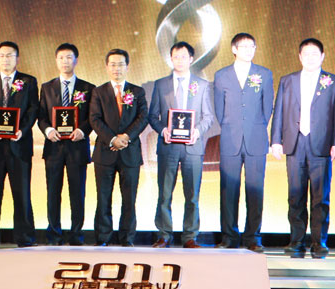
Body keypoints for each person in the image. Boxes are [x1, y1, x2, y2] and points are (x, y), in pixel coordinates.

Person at [271, 38, 335, 258]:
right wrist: (276, 140)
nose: (310, 58)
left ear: (322, 56)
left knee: (320, 196)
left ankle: (319, 241)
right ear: (299, 56)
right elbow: (279, 111)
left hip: (321, 144)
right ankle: (296, 240)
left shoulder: (333, 81)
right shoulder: (288, 80)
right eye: (306, 54)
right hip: (295, 143)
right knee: (295, 196)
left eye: (315, 54)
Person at [148, 42, 214, 248]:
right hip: (168, 146)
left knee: (192, 195)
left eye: (184, 56)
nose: (179, 60)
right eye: (176, 56)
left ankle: (190, 237)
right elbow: (153, 116)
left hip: (192, 148)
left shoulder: (202, 85)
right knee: (164, 194)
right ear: (171, 59)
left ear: (191, 59)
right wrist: (163, 130)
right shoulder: (161, 85)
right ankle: (164, 235)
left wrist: (197, 132)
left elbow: (208, 117)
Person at [214, 33, 274, 252]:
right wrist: (232, 126)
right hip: (230, 139)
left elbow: (267, 107)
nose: (249, 50)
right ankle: (229, 237)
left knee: (255, 190)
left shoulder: (264, 74)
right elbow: (218, 108)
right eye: (244, 46)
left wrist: (255, 127)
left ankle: (253, 237)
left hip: (255, 139)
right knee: (228, 190)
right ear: (234, 49)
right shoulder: (221, 75)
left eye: (252, 46)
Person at [0, 41, 38, 249]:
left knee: (22, 193)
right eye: (2, 55)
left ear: (17, 58)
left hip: (19, 146)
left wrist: (22, 130)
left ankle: (25, 237)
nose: (5, 59)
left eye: (10, 55)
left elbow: (33, 109)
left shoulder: (28, 81)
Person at [38, 43, 96, 245]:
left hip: (77, 148)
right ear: (56, 61)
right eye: (61, 58)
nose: (65, 61)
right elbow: (41, 116)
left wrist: (83, 130)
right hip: (54, 148)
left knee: (77, 194)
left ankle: (76, 235)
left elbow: (93, 116)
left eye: (69, 57)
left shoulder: (88, 88)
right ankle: (54, 235)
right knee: (53, 193)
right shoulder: (47, 88)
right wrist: (48, 130)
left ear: (76, 60)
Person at [89, 49, 148, 246]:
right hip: (105, 153)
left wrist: (126, 137)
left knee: (129, 199)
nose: (117, 68)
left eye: (121, 64)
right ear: (107, 67)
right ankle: (103, 238)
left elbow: (143, 118)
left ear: (127, 67)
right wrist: (112, 139)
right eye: (113, 64)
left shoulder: (137, 92)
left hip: (130, 153)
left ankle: (127, 238)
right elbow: (95, 119)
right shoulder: (99, 92)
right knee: (103, 198)